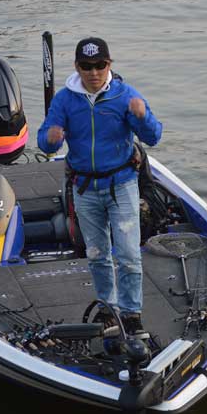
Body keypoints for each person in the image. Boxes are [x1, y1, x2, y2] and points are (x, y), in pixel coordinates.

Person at [37, 37, 162, 335]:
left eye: (100, 65)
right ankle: (108, 308)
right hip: (85, 190)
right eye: (86, 66)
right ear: (76, 67)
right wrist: (51, 139)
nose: (93, 72)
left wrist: (142, 116)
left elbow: (153, 136)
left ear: (109, 65)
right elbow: (44, 141)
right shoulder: (64, 100)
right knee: (97, 255)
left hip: (122, 186)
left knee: (129, 255)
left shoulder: (126, 95)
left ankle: (131, 314)